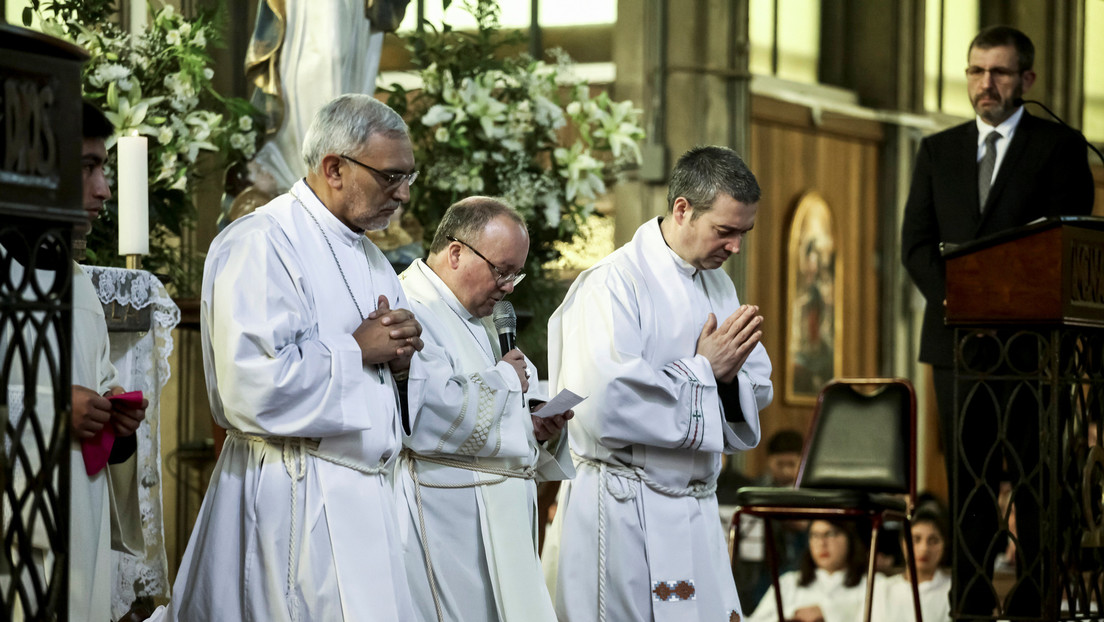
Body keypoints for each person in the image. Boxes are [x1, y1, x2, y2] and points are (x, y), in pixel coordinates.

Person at [152, 94, 423, 621]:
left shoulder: (372, 258)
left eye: (408, 176)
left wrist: (402, 365)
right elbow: (251, 386)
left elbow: (389, 386)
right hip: (293, 499)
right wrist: (357, 348)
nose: (404, 194)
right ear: (334, 168)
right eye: (391, 177)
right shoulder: (262, 241)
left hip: (368, 504)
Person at [901, 25, 1095, 616]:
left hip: (1035, 348)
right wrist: (961, 304)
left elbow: (1064, 238)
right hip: (957, 345)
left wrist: (1005, 305)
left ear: (1026, 79)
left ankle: (1036, 602)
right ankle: (971, 602)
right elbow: (916, 245)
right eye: (976, 71)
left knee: (1038, 480)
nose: (986, 83)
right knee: (970, 481)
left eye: (1000, 72)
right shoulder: (938, 150)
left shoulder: (1059, 147)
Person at [543, 145, 774, 621]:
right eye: (725, 231)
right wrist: (704, 371)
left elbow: (757, 383)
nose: (735, 247)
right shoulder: (611, 284)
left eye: (743, 234)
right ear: (682, 209)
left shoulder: (719, 286)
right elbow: (604, 403)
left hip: (693, 509)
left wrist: (723, 379)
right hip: (624, 506)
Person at [395, 196, 574, 622]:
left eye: (516, 274)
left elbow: (498, 403)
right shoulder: (410, 308)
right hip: (446, 520)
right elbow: (427, 414)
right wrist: (506, 382)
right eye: (502, 271)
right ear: (456, 252)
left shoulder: (476, 316)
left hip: (496, 517)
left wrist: (532, 424)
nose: (509, 287)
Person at [2, 101, 148, 620]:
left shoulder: (78, 281)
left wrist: (115, 420)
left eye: (103, 168)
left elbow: (96, 381)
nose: (104, 189)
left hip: (78, 524)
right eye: (87, 168)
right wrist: (54, 413)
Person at [731, 430, 809, 609]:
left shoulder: (812, 490)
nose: (786, 470)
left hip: (803, 563)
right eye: (780, 464)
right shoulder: (757, 489)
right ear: (769, 461)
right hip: (765, 567)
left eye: (791, 464)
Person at [747, 520, 868, 622]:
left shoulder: (871, 584)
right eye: (815, 535)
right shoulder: (789, 582)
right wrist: (793, 614)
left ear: (849, 538)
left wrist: (827, 613)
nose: (822, 543)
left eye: (830, 534)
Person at [868, 504, 952, 622]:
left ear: (945, 544)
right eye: (916, 539)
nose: (924, 549)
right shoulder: (883, 589)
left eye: (933, 541)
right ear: (903, 542)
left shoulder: (952, 590)